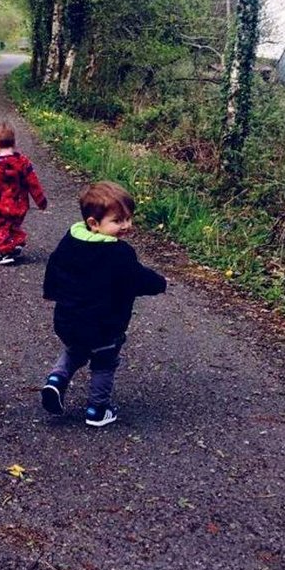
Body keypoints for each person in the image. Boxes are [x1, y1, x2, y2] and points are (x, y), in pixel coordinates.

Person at [41, 181, 166, 427]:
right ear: (93, 224)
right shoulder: (119, 254)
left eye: (129, 218)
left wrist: (53, 294)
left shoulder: (70, 241)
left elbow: (54, 268)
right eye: (118, 221)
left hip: (68, 320)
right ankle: (98, 409)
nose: (127, 226)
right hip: (104, 326)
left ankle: (55, 381)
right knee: (104, 363)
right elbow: (137, 278)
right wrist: (159, 283)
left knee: (74, 350)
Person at [0, 121, 47, 265]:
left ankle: (6, 252)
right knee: (13, 225)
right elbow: (33, 183)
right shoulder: (23, 162)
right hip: (19, 204)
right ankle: (15, 242)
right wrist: (41, 200)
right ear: (14, 144)